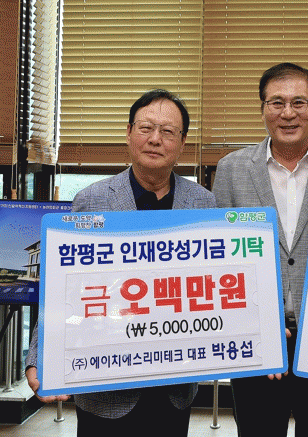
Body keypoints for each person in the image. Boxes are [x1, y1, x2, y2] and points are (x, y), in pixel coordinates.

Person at [25, 89, 217, 436]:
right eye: (146, 128)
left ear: (182, 142)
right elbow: (61, 287)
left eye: (168, 131)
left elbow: (216, 284)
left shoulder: (203, 203)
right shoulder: (91, 201)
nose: (155, 139)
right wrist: (40, 355)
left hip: (174, 386)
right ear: (129, 133)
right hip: (105, 388)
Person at [212, 62, 308, 437]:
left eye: (299, 102)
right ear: (263, 108)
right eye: (276, 102)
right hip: (256, 338)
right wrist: (253, 325)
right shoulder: (231, 169)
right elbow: (222, 258)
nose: (288, 113)